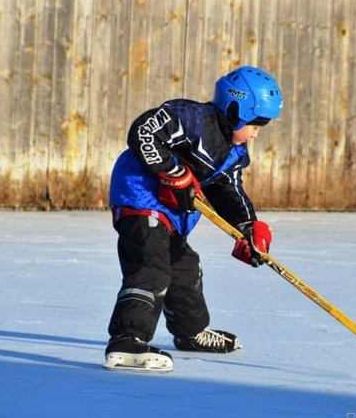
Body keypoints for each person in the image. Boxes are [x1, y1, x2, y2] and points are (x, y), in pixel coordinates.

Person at [103, 65, 284, 372]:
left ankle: (190, 332)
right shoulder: (190, 118)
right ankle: (126, 340)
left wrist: (248, 228)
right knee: (151, 268)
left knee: (185, 267)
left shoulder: (235, 154)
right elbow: (144, 130)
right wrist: (172, 171)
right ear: (236, 109)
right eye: (256, 124)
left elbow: (228, 190)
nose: (256, 133)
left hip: (171, 215)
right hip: (140, 197)